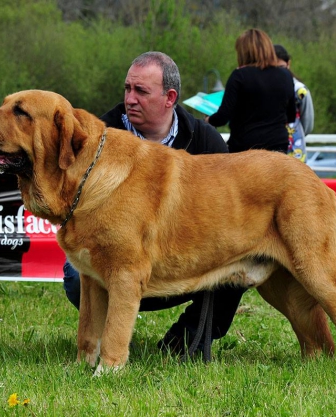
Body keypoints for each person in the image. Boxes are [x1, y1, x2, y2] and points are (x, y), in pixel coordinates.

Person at [62, 51, 248, 357]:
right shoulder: (98, 137)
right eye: (127, 89)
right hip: (115, 264)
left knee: (238, 249)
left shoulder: (206, 141)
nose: (130, 99)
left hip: (184, 266)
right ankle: (112, 340)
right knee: (74, 278)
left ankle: (187, 338)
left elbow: (231, 212)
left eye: (141, 91)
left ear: (169, 97)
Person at [205, 28, 296, 154]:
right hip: (278, 148)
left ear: (243, 52)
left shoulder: (239, 76)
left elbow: (223, 116)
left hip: (245, 150)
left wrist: (209, 120)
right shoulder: (286, 75)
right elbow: (291, 115)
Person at [274, 44, 314, 162]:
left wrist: (297, 132)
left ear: (288, 64)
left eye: (281, 67)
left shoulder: (300, 90)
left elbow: (308, 122)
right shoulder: (266, 89)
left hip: (295, 148)